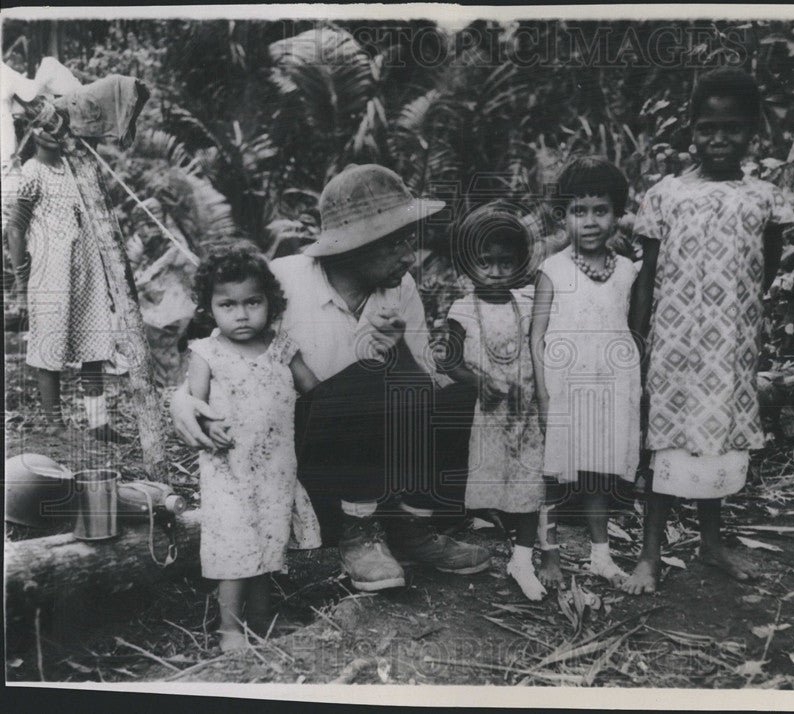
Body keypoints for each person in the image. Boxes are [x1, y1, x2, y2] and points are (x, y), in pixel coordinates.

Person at [172, 164, 490, 593]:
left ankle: (412, 528)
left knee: (462, 396)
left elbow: (420, 389)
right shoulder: (282, 281)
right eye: (394, 244)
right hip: (302, 450)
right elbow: (218, 349)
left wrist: (395, 350)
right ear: (353, 246)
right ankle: (356, 531)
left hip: (375, 446)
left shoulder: (401, 286)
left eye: (407, 241)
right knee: (366, 381)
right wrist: (183, 401)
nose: (408, 256)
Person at [623, 68, 794, 594]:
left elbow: (764, 268)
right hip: (674, 342)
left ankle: (712, 542)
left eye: (732, 128)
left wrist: (736, 321)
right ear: (691, 131)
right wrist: (636, 337)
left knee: (717, 436)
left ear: (752, 133)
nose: (718, 139)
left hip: (731, 342)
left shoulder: (763, 198)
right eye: (707, 128)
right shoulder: (666, 195)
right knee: (668, 441)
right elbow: (647, 275)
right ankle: (650, 555)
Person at [186, 244, 321, 652]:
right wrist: (209, 422)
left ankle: (262, 618)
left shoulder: (281, 348)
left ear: (270, 303)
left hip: (275, 467)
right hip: (228, 469)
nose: (241, 314)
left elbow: (314, 391)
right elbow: (193, 407)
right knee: (232, 547)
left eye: (252, 302)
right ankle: (228, 628)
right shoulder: (206, 353)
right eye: (228, 304)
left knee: (267, 540)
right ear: (210, 309)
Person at [530, 156, 642, 590]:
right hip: (563, 386)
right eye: (579, 211)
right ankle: (550, 554)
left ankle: (600, 555)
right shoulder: (553, 270)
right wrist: (543, 394)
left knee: (597, 470)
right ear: (564, 217)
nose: (591, 221)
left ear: (617, 214)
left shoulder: (628, 272)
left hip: (610, 385)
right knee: (554, 474)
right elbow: (537, 335)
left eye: (601, 210)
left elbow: (630, 329)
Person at [441, 201, 546, 600]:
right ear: (468, 263)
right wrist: (477, 379)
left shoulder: (525, 305)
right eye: (485, 261)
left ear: (519, 263)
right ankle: (464, 539)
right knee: (488, 481)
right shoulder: (463, 309)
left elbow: (539, 350)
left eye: (506, 262)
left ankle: (522, 556)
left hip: (522, 414)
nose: (496, 271)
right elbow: (449, 360)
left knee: (527, 480)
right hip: (485, 415)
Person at [4, 124, 126, 442]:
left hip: (85, 267)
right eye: (46, 127)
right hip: (49, 270)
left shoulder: (76, 168)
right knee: (50, 345)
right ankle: (55, 425)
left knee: (95, 342)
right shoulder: (32, 171)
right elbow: (15, 228)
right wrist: (21, 277)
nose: (54, 133)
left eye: (60, 127)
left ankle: (99, 424)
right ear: (35, 132)